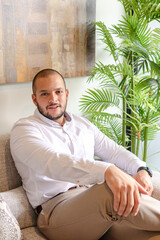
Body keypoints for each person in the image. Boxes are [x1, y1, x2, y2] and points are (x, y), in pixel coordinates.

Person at [10, 69, 160, 240]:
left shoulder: (82, 124)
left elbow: (114, 151)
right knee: (110, 191)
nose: (53, 99)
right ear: (34, 98)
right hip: (56, 212)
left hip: (97, 211)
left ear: (66, 94)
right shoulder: (24, 129)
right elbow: (54, 162)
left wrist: (142, 169)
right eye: (45, 94)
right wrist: (107, 171)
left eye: (58, 92)